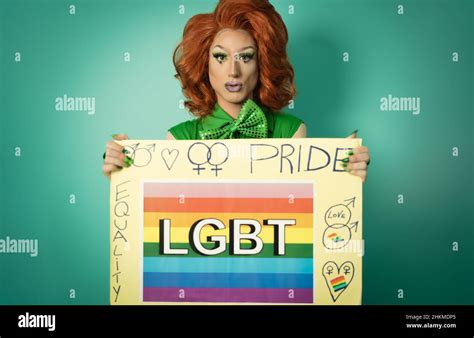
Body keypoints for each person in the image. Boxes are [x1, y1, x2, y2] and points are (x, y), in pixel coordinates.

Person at [102, 0, 370, 181]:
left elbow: (304, 209)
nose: (233, 71)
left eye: (245, 57)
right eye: (220, 57)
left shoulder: (291, 131)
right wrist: (124, 167)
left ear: (262, 64)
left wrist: (342, 173)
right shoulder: (178, 138)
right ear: (204, 65)